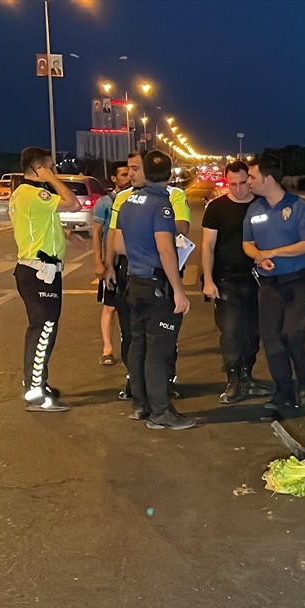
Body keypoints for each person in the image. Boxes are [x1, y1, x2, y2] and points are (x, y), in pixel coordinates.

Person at [114, 150, 194, 430]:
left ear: (145, 172)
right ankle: (161, 412)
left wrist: (140, 253)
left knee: (138, 345)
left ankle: (141, 406)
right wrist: (178, 290)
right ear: (170, 175)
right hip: (156, 286)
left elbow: (118, 246)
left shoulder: (126, 202)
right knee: (158, 350)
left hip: (134, 282)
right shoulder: (162, 206)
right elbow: (166, 250)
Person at [243, 152, 305, 418]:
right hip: (268, 284)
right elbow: (247, 243)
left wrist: (273, 252)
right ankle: (283, 392)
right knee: (272, 339)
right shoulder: (254, 209)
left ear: (268, 179)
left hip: (297, 282)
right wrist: (258, 256)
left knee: (294, 333)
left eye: (252, 177)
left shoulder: (297, 207)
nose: (248, 181)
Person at [8, 147, 81, 412]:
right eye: (51, 166)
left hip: (39, 270)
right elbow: (73, 203)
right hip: (39, 272)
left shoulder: (26, 195)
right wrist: (51, 179)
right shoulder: (33, 192)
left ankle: (38, 383)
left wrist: (65, 234)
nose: (55, 171)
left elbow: (40, 222)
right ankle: (35, 392)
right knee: (43, 329)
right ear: (38, 168)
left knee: (44, 328)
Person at [202, 161, 272, 404]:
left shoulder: (262, 205)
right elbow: (207, 246)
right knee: (231, 331)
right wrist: (208, 280)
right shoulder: (217, 208)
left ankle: (247, 376)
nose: (239, 189)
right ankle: (233, 380)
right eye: (232, 184)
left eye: (243, 183)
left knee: (253, 332)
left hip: (257, 280)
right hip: (226, 280)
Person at [92, 161, 129, 366]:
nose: (128, 178)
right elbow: (97, 232)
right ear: (114, 178)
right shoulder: (105, 202)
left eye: (130, 173)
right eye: (123, 174)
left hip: (129, 261)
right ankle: (107, 349)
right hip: (110, 261)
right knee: (110, 307)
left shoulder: (134, 199)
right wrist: (99, 262)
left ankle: (129, 345)